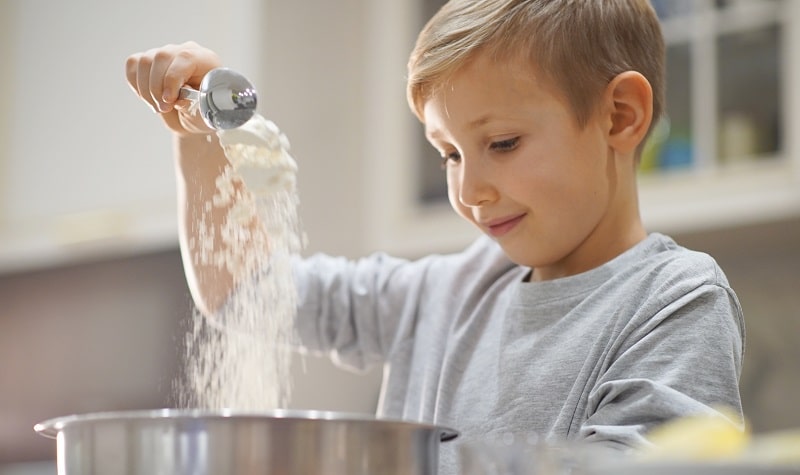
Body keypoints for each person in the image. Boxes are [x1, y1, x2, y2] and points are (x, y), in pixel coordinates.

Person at [125, 0, 745, 473]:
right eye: (448, 154)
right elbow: (249, 292)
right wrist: (198, 137)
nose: (469, 189)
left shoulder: (674, 301)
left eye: (501, 143)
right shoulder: (440, 294)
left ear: (620, 116)